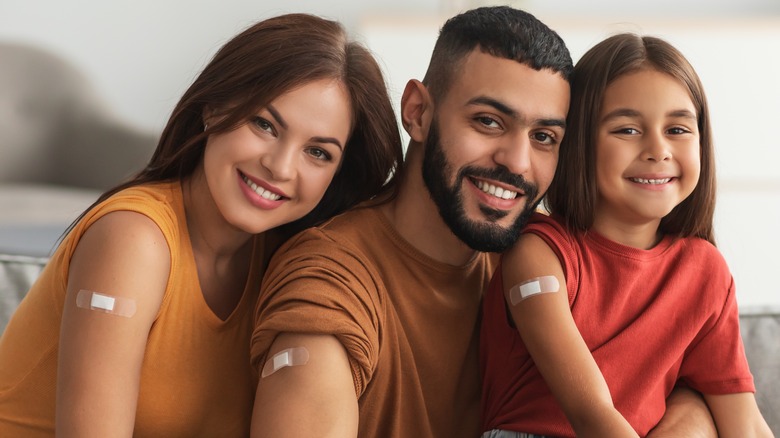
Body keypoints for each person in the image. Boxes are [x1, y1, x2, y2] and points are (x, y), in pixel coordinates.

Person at [249, 7, 719, 438]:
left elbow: (678, 386)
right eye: (489, 121)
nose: (516, 162)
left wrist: (693, 415)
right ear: (417, 112)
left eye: (543, 136)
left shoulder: (535, 258)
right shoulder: (329, 282)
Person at [0, 13, 403, 437]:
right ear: (214, 108)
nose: (280, 167)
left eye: (318, 153)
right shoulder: (134, 239)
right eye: (264, 125)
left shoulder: (287, 265)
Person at [480, 33, 773, 437]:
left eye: (678, 129)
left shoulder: (706, 272)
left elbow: (743, 423)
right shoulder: (538, 254)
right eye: (628, 130)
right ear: (579, 141)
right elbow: (591, 413)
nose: (658, 149)